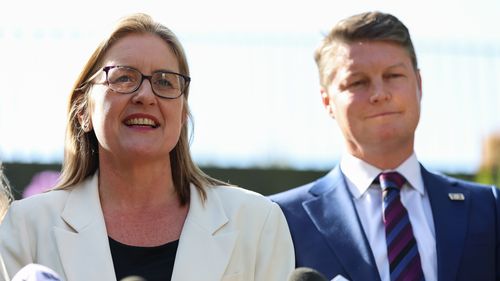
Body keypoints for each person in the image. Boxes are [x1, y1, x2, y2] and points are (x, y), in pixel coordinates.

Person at [0, 13, 294, 281]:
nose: (145, 95)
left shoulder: (257, 224)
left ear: (181, 115)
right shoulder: (27, 228)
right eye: (124, 77)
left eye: (165, 82)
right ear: (83, 112)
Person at [271, 11, 500, 281]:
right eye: (357, 82)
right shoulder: (279, 221)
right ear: (327, 102)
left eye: (393, 75)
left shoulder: (490, 209)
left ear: (419, 84)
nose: (380, 94)